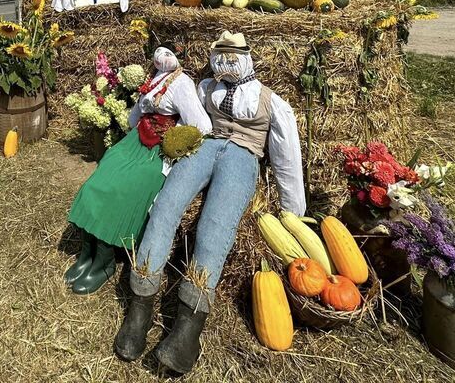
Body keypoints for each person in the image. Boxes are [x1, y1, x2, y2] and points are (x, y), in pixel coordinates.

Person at [114, 31, 305, 373]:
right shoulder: (203, 88)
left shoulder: (270, 100)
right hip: (204, 146)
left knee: (214, 227)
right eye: (221, 53)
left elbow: (286, 156)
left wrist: (293, 211)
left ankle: (188, 327)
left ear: (246, 56)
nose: (227, 60)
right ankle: (140, 305)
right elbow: (180, 111)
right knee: (165, 207)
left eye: (234, 54)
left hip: (243, 156)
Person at [64, 47, 211, 294]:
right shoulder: (154, 77)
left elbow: (202, 125)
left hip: (157, 151)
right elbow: (135, 117)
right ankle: (87, 253)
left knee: (119, 189)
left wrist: (175, 139)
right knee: (99, 180)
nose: (162, 55)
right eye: (159, 50)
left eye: (169, 52)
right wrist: (135, 125)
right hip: (135, 141)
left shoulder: (182, 83)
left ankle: (105, 261)